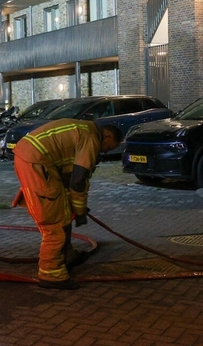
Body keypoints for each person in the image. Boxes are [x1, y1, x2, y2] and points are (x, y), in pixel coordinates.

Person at [13, 119, 122, 290]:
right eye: (108, 147)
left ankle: (67, 255)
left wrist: (72, 205)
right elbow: (78, 180)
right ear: (106, 135)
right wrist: (79, 211)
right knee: (56, 224)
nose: (105, 151)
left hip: (29, 158)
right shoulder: (91, 138)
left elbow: (68, 174)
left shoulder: (82, 129)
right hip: (37, 162)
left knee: (61, 210)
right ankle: (51, 273)